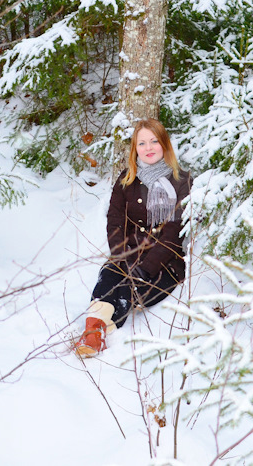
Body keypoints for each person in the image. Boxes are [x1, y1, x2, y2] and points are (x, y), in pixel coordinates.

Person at [75, 119, 192, 358]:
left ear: (164, 144)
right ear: (135, 149)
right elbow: (115, 220)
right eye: (142, 143)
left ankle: (96, 330)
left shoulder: (182, 180)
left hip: (165, 262)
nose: (148, 148)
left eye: (154, 141)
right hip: (129, 252)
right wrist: (120, 256)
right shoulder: (127, 178)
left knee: (130, 288)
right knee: (109, 276)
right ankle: (93, 333)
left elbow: (174, 232)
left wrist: (145, 269)